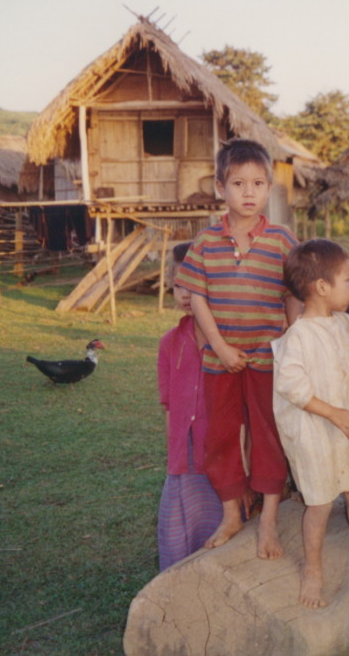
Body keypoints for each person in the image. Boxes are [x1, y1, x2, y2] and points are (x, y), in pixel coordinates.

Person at [173, 138, 300, 560]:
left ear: (269, 189)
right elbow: (197, 299)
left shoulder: (282, 240)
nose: (249, 192)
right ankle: (231, 513)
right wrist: (221, 347)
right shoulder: (205, 242)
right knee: (221, 437)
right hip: (219, 359)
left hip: (268, 359)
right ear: (220, 187)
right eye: (239, 183)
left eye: (259, 183)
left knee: (269, 436)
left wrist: (293, 342)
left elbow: (294, 297)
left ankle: (267, 521)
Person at [272, 239, 349, 608]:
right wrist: (333, 413)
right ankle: (313, 569)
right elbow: (292, 388)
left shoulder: (347, 324)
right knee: (321, 505)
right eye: (348, 279)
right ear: (322, 287)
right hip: (318, 437)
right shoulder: (297, 337)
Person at [156, 242, 223, 571]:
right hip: (184, 455)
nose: (185, 293)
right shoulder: (169, 343)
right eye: (178, 285)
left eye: (193, 284)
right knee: (180, 523)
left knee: (220, 518)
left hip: (221, 449)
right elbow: (169, 406)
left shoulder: (224, 341)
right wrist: (174, 457)